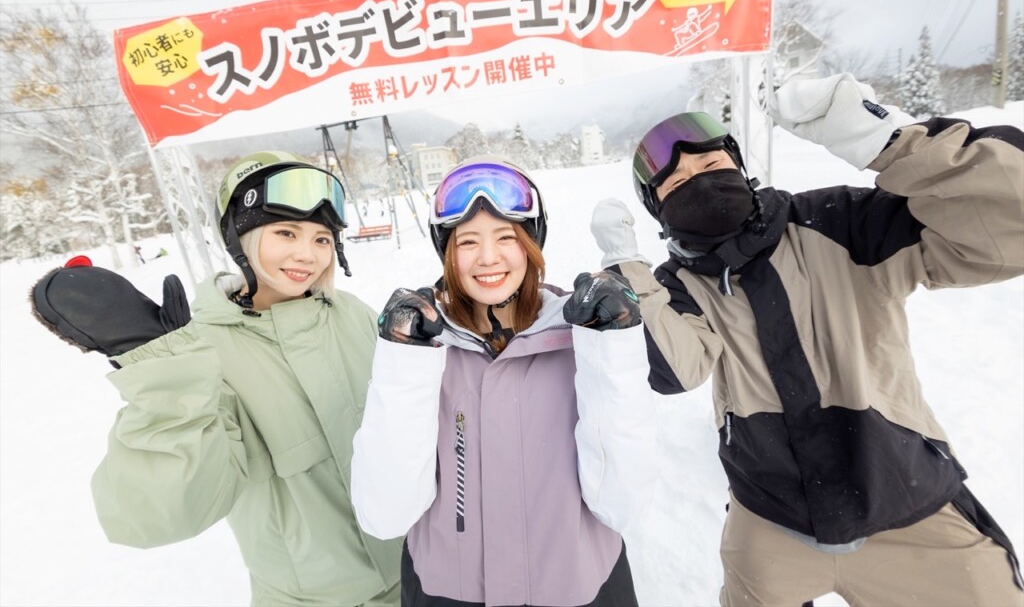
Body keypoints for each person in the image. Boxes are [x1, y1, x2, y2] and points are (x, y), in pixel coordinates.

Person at [589, 74, 1024, 606]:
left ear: (742, 172)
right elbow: (674, 372)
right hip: (770, 521)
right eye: (676, 183)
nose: (699, 182)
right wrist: (627, 269)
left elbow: (1006, 224)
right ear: (659, 211)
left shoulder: (839, 222)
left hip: (909, 504)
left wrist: (891, 143)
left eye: (711, 166)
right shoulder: (679, 285)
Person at [31, 151, 401, 606]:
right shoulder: (199, 351)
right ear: (240, 237)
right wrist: (167, 378)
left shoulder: (354, 316)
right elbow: (157, 513)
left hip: (419, 576)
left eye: (322, 239)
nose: (307, 254)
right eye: (286, 233)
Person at [350, 156, 658, 607]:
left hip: (581, 591)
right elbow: (385, 513)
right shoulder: (423, 350)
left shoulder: (584, 337)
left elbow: (624, 502)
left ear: (532, 243)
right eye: (467, 241)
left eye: (507, 237)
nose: (488, 257)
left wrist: (615, 347)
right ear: (447, 254)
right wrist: (402, 362)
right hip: (448, 594)